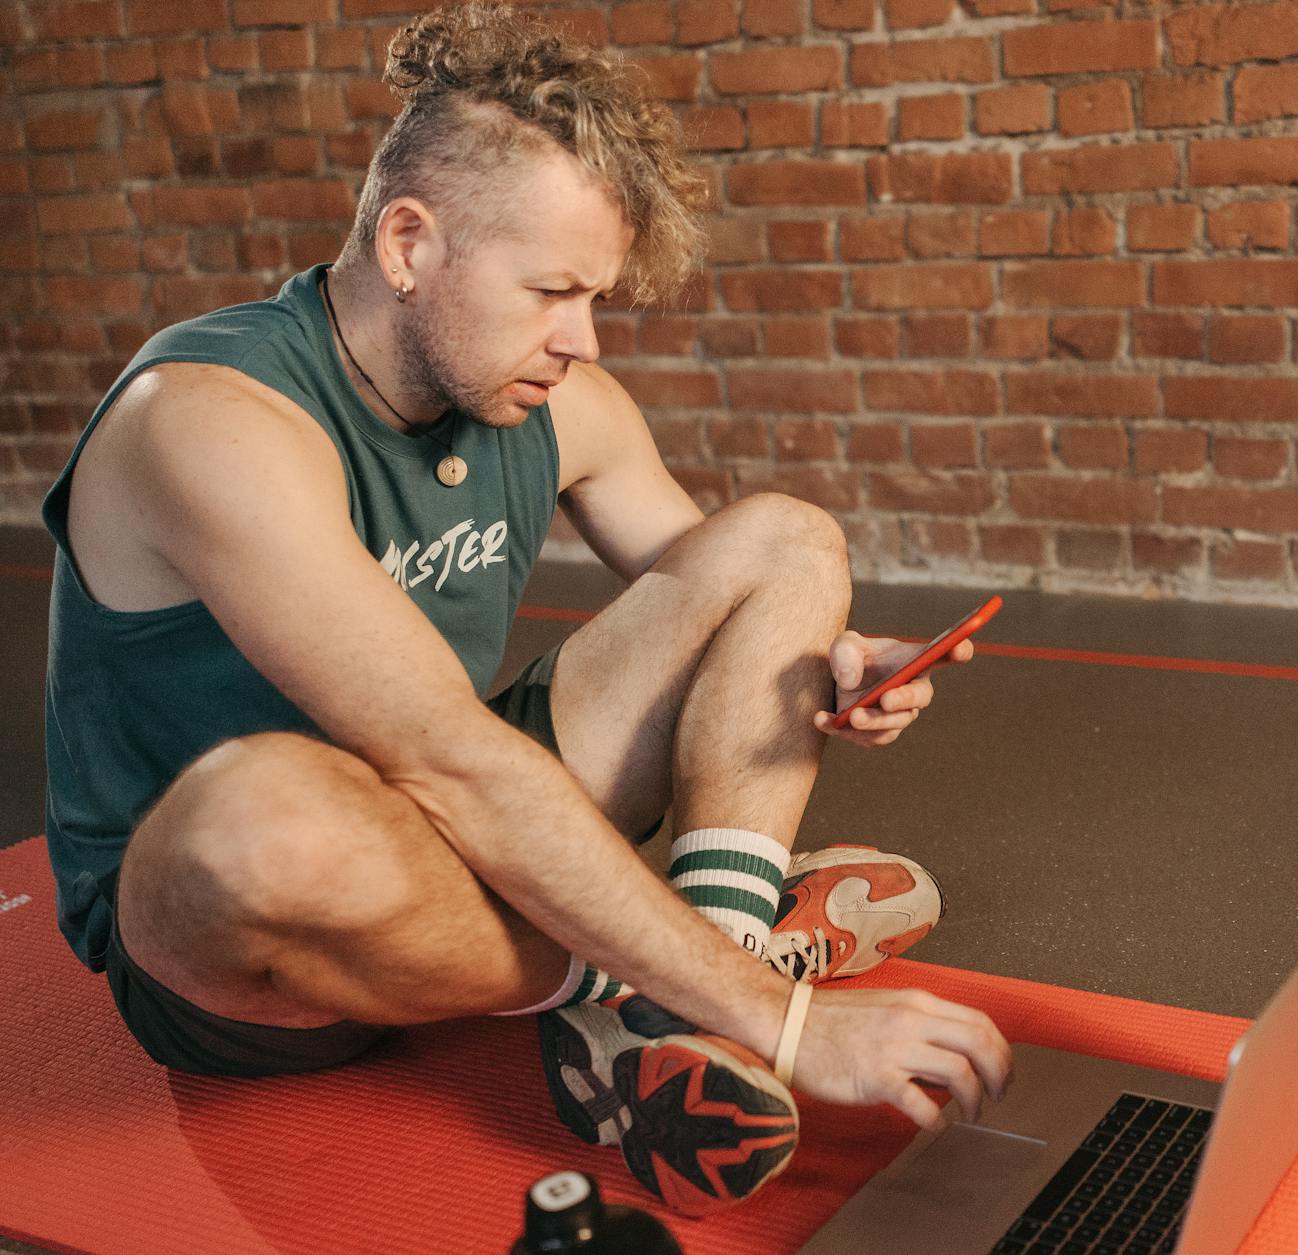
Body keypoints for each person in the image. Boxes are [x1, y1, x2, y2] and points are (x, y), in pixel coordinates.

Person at [39, 0, 1011, 1217]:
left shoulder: (556, 399)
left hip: (462, 832)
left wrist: (842, 659)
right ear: (408, 243)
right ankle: (712, 970)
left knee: (783, 535)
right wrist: (791, 1020)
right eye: (551, 289)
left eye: (592, 295)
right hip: (253, 929)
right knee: (258, 814)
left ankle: (683, 989)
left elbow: (742, 591)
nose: (581, 338)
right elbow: (445, 759)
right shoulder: (210, 424)